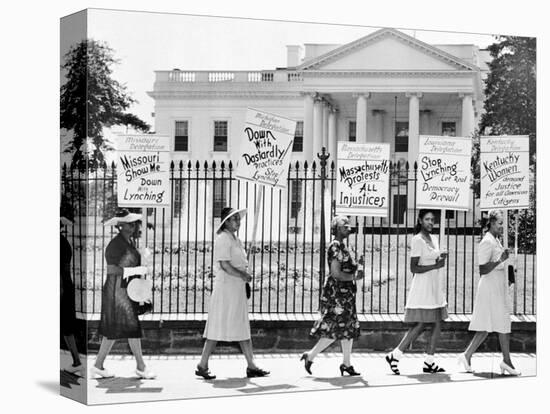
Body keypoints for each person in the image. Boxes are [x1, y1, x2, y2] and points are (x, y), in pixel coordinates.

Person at [196, 207, 270, 380]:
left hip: (236, 288)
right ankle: (202, 363)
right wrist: (243, 274)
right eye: (234, 219)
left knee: (242, 324)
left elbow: (237, 261)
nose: (238, 221)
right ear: (226, 222)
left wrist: (243, 272)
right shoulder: (223, 239)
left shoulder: (235, 239)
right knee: (217, 325)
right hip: (226, 288)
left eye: (238, 218)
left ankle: (251, 365)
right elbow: (224, 265)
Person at [91, 209, 156, 379]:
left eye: (134, 223)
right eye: (129, 223)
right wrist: (135, 269)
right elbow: (112, 269)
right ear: (120, 225)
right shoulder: (115, 245)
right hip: (116, 290)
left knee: (115, 329)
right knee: (131, 326)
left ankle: (98, 365)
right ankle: (141, 367)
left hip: (123, 289)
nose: (133, 226)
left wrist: (142, 258)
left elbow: (130, 262)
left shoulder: (128, 242)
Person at [385, 209, 448, 375]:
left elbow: (435, 259)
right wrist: (435, 265)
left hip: (435, 285)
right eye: (427, 219)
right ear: (420, 220)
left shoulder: (434, 238)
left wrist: (441, 258)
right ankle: (396, 354)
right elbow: (413, 267)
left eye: (432, 219)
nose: (430, 222)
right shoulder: (417, 240)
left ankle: (429, 361)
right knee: (421, 323)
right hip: (423, 286)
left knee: (437, 322)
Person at [458, 210, 520, 376]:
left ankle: (466, 355)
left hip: (498, 287)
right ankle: (507, 361)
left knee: (488, 326)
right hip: (489, 289)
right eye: (500, 223)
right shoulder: (487, 241)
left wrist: (508, 273)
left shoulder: (496, 240)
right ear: (492, 223)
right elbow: (482, 269)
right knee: (502, 323)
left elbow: (499, 265)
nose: (502, 227)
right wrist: (500, 260)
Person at [300, 216, 363, 377]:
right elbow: (336, 273)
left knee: (347, 327)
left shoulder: (343, 247)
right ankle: (311, 355)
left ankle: (346, 363)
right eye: (344, 226)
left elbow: (347, 269)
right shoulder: (335, 247)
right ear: (336, 228)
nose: (348, 228)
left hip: (346, 293)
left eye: (348, 226)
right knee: (335, 328)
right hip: (337, 294)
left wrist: (357, 268)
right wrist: (354, 277)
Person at [60, 212, 83, 374]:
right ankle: (76, 361)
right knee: (67, 325)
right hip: (66, 285)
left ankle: (76, 362)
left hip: (61, 286)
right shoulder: (63, 241)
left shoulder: (59, 242)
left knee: (66, 325)